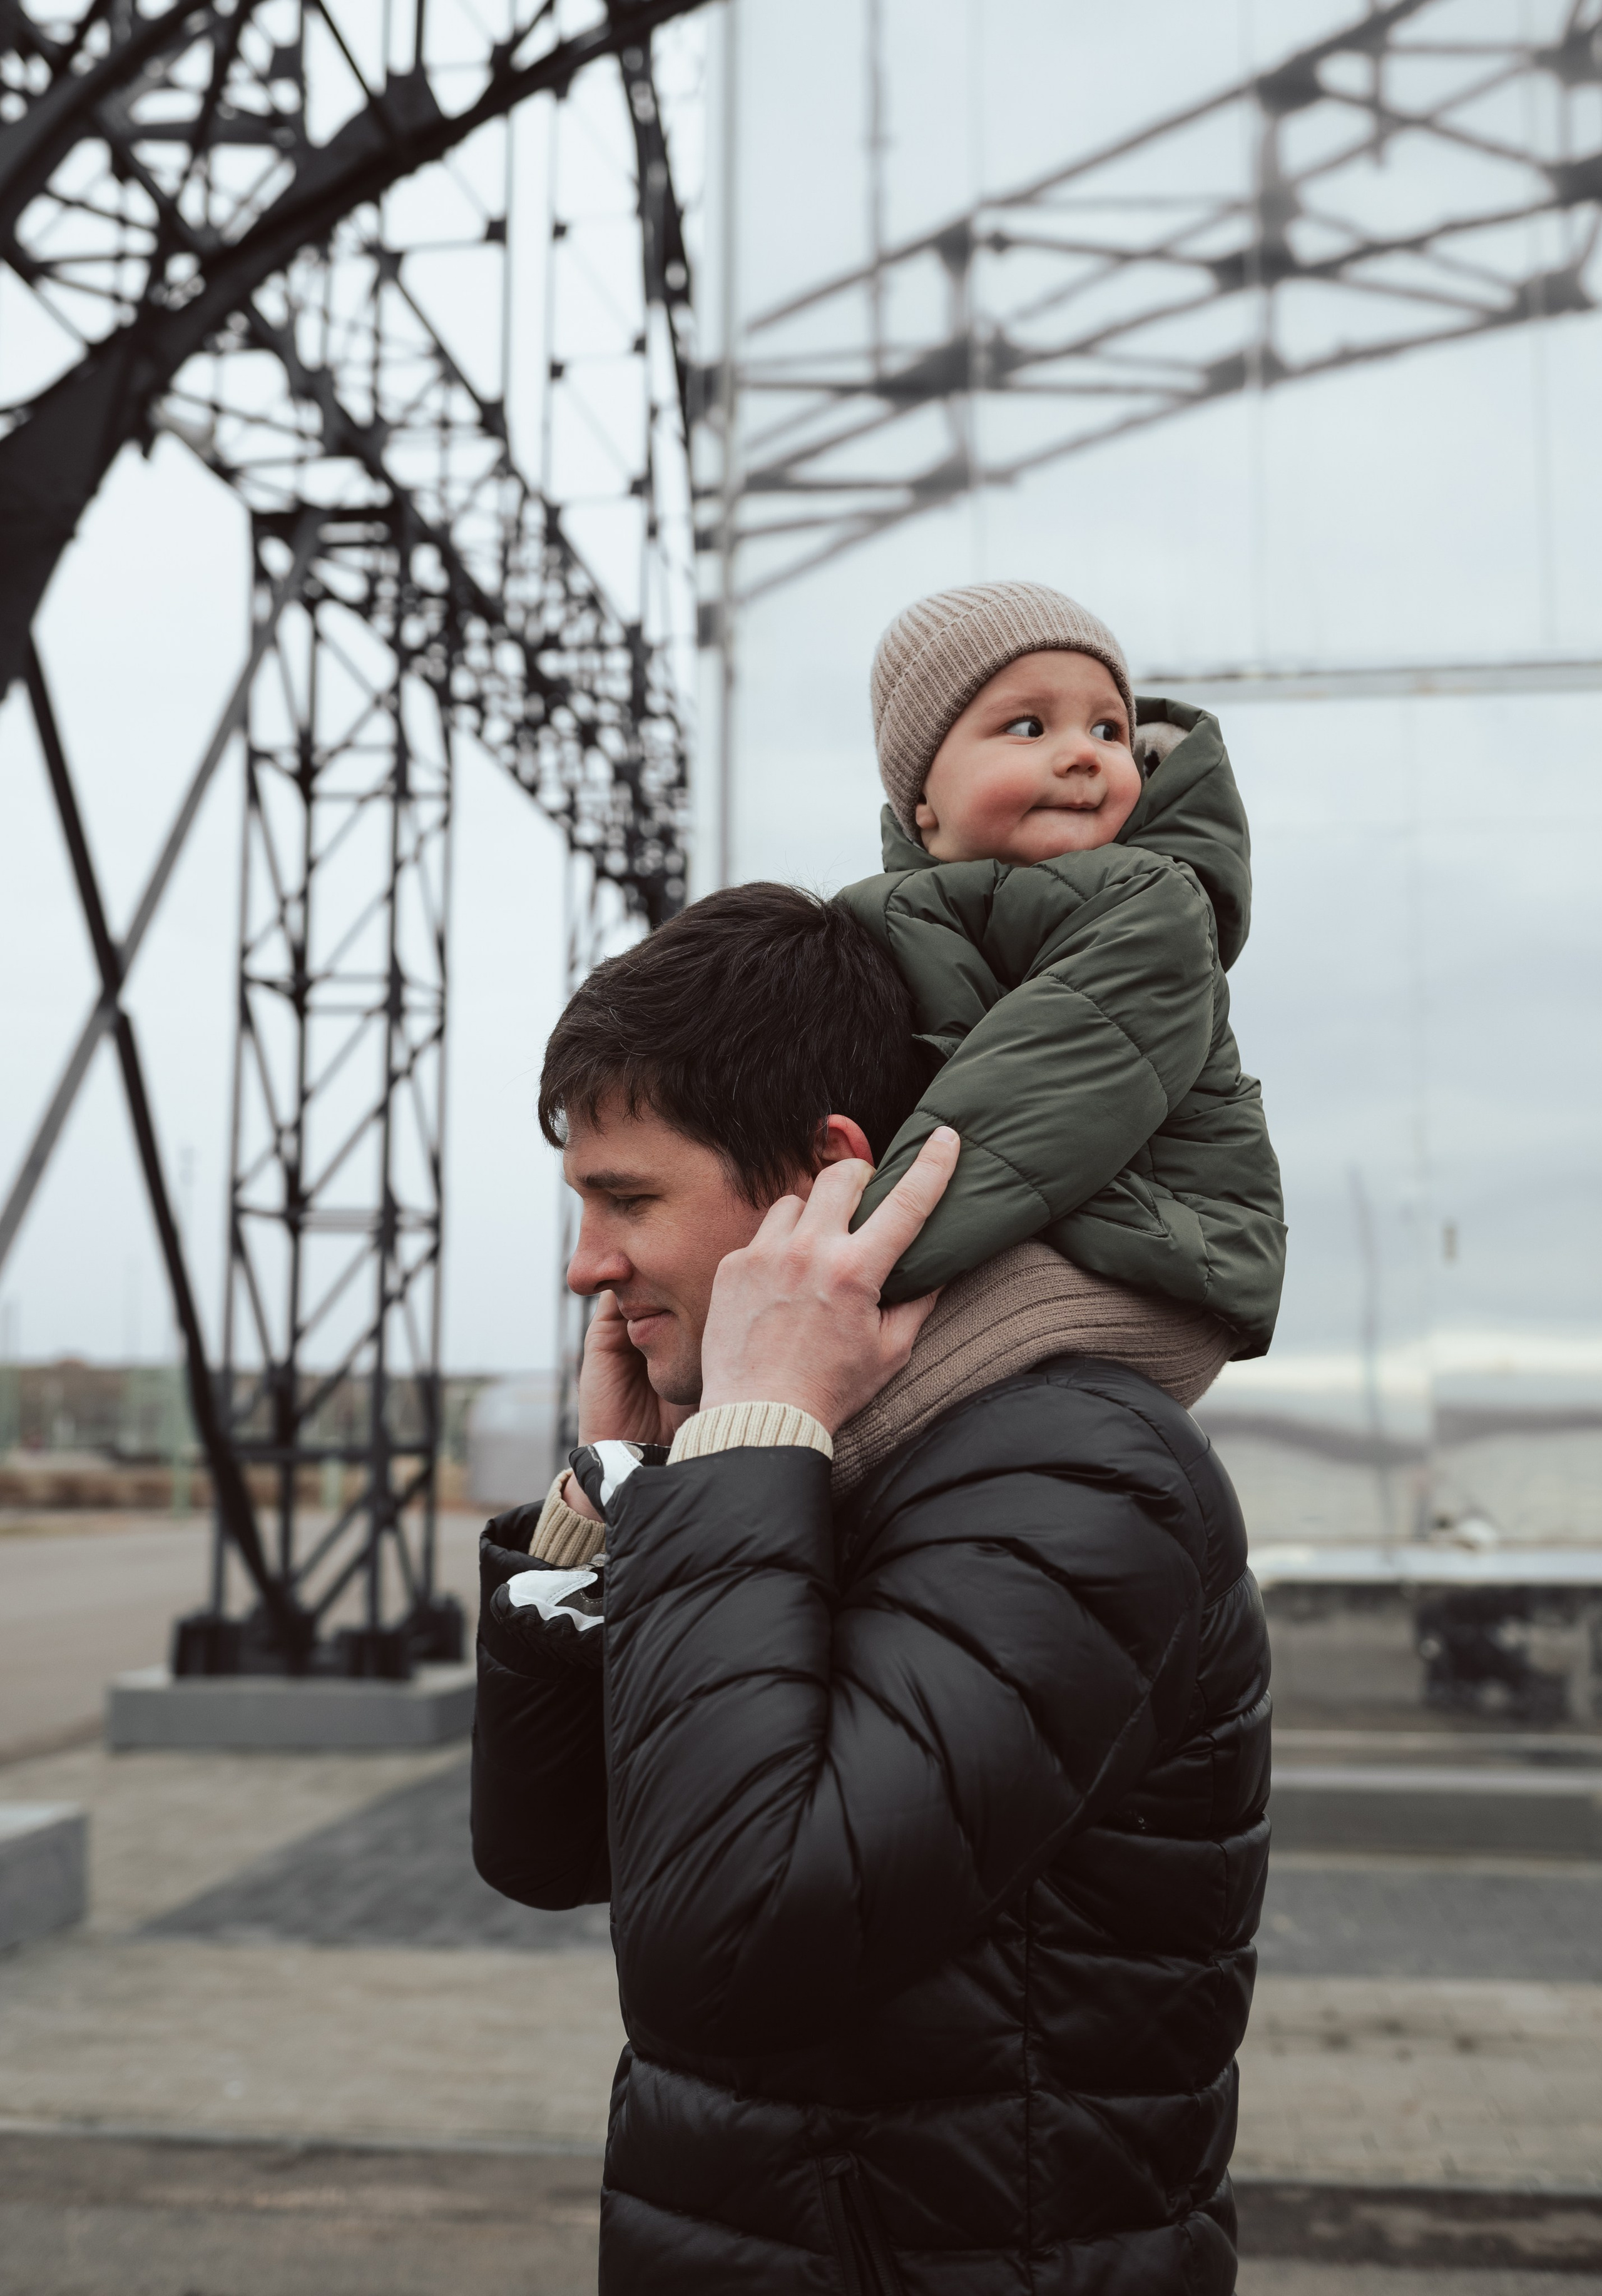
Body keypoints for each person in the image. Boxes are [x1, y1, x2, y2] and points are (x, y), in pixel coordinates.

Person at [472, 884, 1271, 2295]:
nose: (586, 1263)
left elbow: (728, 1940)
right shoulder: (804, 1460)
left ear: (823, 1177)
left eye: (628, 1197)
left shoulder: (1075, 1467)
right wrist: (614, 1486)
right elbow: (542, 1847)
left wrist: (751, 1436)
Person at [838, 579, 1286, 1388]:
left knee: (843, 1395)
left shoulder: (1155, 902)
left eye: (1109, 728)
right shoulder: (893, 918)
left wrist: (847, 1262)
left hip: (1164, 1265)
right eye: (1027, 725)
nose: (1084, 751)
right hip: (1039, 1231)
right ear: (922, 806)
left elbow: (1018, 1115)